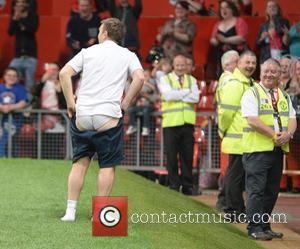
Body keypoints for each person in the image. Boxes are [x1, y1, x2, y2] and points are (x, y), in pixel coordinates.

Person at [59, 18, 144, 221]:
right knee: (106, 166)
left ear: (104, 33)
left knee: (79, 163)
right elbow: (140, 78)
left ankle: (70, 212)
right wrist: (126, 104)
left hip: (83, 114)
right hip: (108, 116)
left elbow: (64, 73)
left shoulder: (88, 51)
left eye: (99, 30)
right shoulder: (128, 55)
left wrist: (71, 103)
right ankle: (99, 214)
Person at [241, 58, 297, 240]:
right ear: (260, 72)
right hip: (257, 150)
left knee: (271, 191)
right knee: (256, 190)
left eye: (274, 71)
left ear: (280, 74)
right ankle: (254, 227)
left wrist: (288, 134)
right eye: (266, 71)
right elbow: (252, 120)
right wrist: (275, 134)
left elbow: (292, 118)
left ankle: (264, 225)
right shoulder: (252, 93)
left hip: (277, 150)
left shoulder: (284, 95)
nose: (269, 74)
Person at [217, 50, 256, 218]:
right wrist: (222, 131)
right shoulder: (235, 83)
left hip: (245, 140)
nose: (250, 66)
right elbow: (226, 112)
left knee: (237, 176)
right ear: (238, 63)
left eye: (253, 63)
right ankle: (233, 210)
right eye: (247, 62)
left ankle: (237, 208)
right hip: (236, 139)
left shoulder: (248, 83)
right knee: (235, 176)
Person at [157, 54, 199, 195]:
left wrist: (177, 93)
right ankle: (174, 185)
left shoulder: (192, 79)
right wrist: (186, 92)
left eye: (183, 65)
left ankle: (187, 186)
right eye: (178, 65)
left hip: (187, 123)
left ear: (186, 66)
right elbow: (168, 95)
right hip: (171, 123)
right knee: (171, 156)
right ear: (173, 66)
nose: (180, 68)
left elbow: (196, 98)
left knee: (187, 156)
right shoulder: (165, 79)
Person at [215, 50, 239, 210]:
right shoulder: (230, 79)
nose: (240, 65)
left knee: (229, 167)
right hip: (230, 129)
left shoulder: (224, 79)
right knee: (229, 167)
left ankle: (223, 199)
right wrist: (223, 129)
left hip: (227, 128)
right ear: (227, 65)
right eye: (236, 62)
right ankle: (224, 200)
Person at [7, 0, 39, 93]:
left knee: (29, 84)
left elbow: (32, 30)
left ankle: (29, 105)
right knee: (11, 77)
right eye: (18, 2)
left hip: (30, 56)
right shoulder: (14, 17)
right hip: (17, 56)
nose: (20, 4)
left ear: (27, 4)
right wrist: (15, 19)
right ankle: (12, 98)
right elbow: (10, 32)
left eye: (22, 2)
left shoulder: (33, 16)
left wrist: (21, 19)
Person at [210, 0, 248, 76]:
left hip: (237, 56)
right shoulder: (218, 23)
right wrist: (214, 41)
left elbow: (242, 38)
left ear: (232, 9)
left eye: (226, 7)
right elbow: (212, 38)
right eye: (221, 8)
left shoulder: (239, 21)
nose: (224, 10)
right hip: (221, 56)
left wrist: (224, 40)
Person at [0, 67, 27, 157]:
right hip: (2, 120)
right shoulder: (0, 87)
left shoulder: (20, 89)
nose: (11, 77)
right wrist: (2, 107)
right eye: (9, 75)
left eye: (14, 76)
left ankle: (5, 157)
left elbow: (23, 102)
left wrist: (10, 107)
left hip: (15, 121)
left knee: (11, 141)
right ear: (4, 76)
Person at [126, 69, 157, 136]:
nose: (144, 78)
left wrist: (146, 92)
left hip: (148, 107)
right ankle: (132, 126)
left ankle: (146, 128)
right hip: (139, 106)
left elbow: (155, 95)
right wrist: (137, 95)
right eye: (143, 76)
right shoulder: (138, 84)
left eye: (146, 76)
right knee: (131, 110)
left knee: (146, 110)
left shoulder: (151, 84)